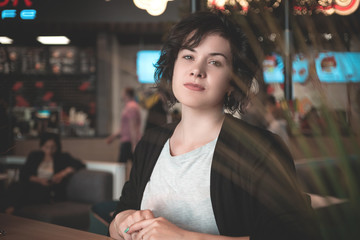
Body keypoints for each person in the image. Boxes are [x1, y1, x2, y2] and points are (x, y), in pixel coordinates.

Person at [109, 11, 319, 240]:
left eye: (214, 62)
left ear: (233, 81)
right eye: (188, 57)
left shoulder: (260, 149)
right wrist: (122, 222)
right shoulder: (151, 142)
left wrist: (183, 237)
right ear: (173, 67)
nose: (197, 70)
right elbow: (121, 214)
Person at [2, 132, 85, 214]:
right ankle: (9, 209)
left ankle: (10, 210)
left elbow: (80, 164)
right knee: (16, 186)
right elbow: (23, 174)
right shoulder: (35, 156)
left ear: (58, 146)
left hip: (50, 190)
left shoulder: (63, 157)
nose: (49, 150)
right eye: (46, 147)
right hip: (33, 185)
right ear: (42, 146)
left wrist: (63, 173)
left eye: (53, 147)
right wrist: (39, 180)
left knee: (32, 190)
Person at [106, 87, 142, 181]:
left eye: (123, 92)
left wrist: (134, 144)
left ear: (127, 94)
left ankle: (123, 188)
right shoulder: (129, 106)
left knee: (122, 167)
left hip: (129, 142)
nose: (121, 94)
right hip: (127, 141)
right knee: (127, 167)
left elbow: (133, 127)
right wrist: (113, 137)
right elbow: (124, 127)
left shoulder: (131, 107)